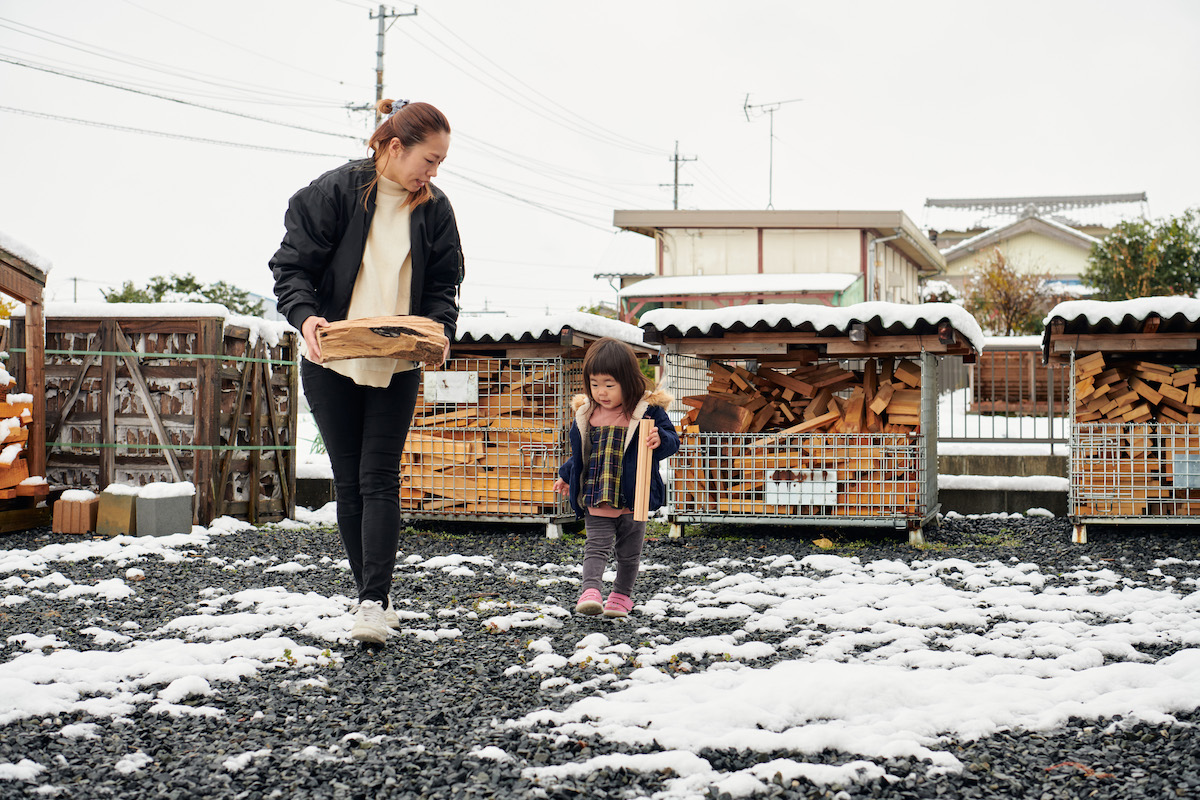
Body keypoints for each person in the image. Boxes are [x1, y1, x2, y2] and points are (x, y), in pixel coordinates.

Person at [270, 99, 464, 646]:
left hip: (398, 359)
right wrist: (305, 319)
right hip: (332, 356)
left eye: (441, 163)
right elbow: (291, 267)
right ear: (394, 146)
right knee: (350, 481)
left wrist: (439, 330)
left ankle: (373, 601)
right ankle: (370, 596)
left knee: (381, 478)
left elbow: (443, 284)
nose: (433, 172)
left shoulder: (435, 208)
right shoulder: (331, 193)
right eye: (429, 159)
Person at [553, 338, 679, 618]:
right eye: (595, 385)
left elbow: (672, 440)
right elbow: (583, 454)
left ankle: (621, 597)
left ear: (628, 380)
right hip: (597, 492)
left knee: (629, 552)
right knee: (595, 546)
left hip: (634, 495)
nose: (602, 392)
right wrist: (566, 475)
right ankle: (591, 592)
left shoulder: (647, 411)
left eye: (609, 385)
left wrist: (661, 439)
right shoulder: (587, 414)